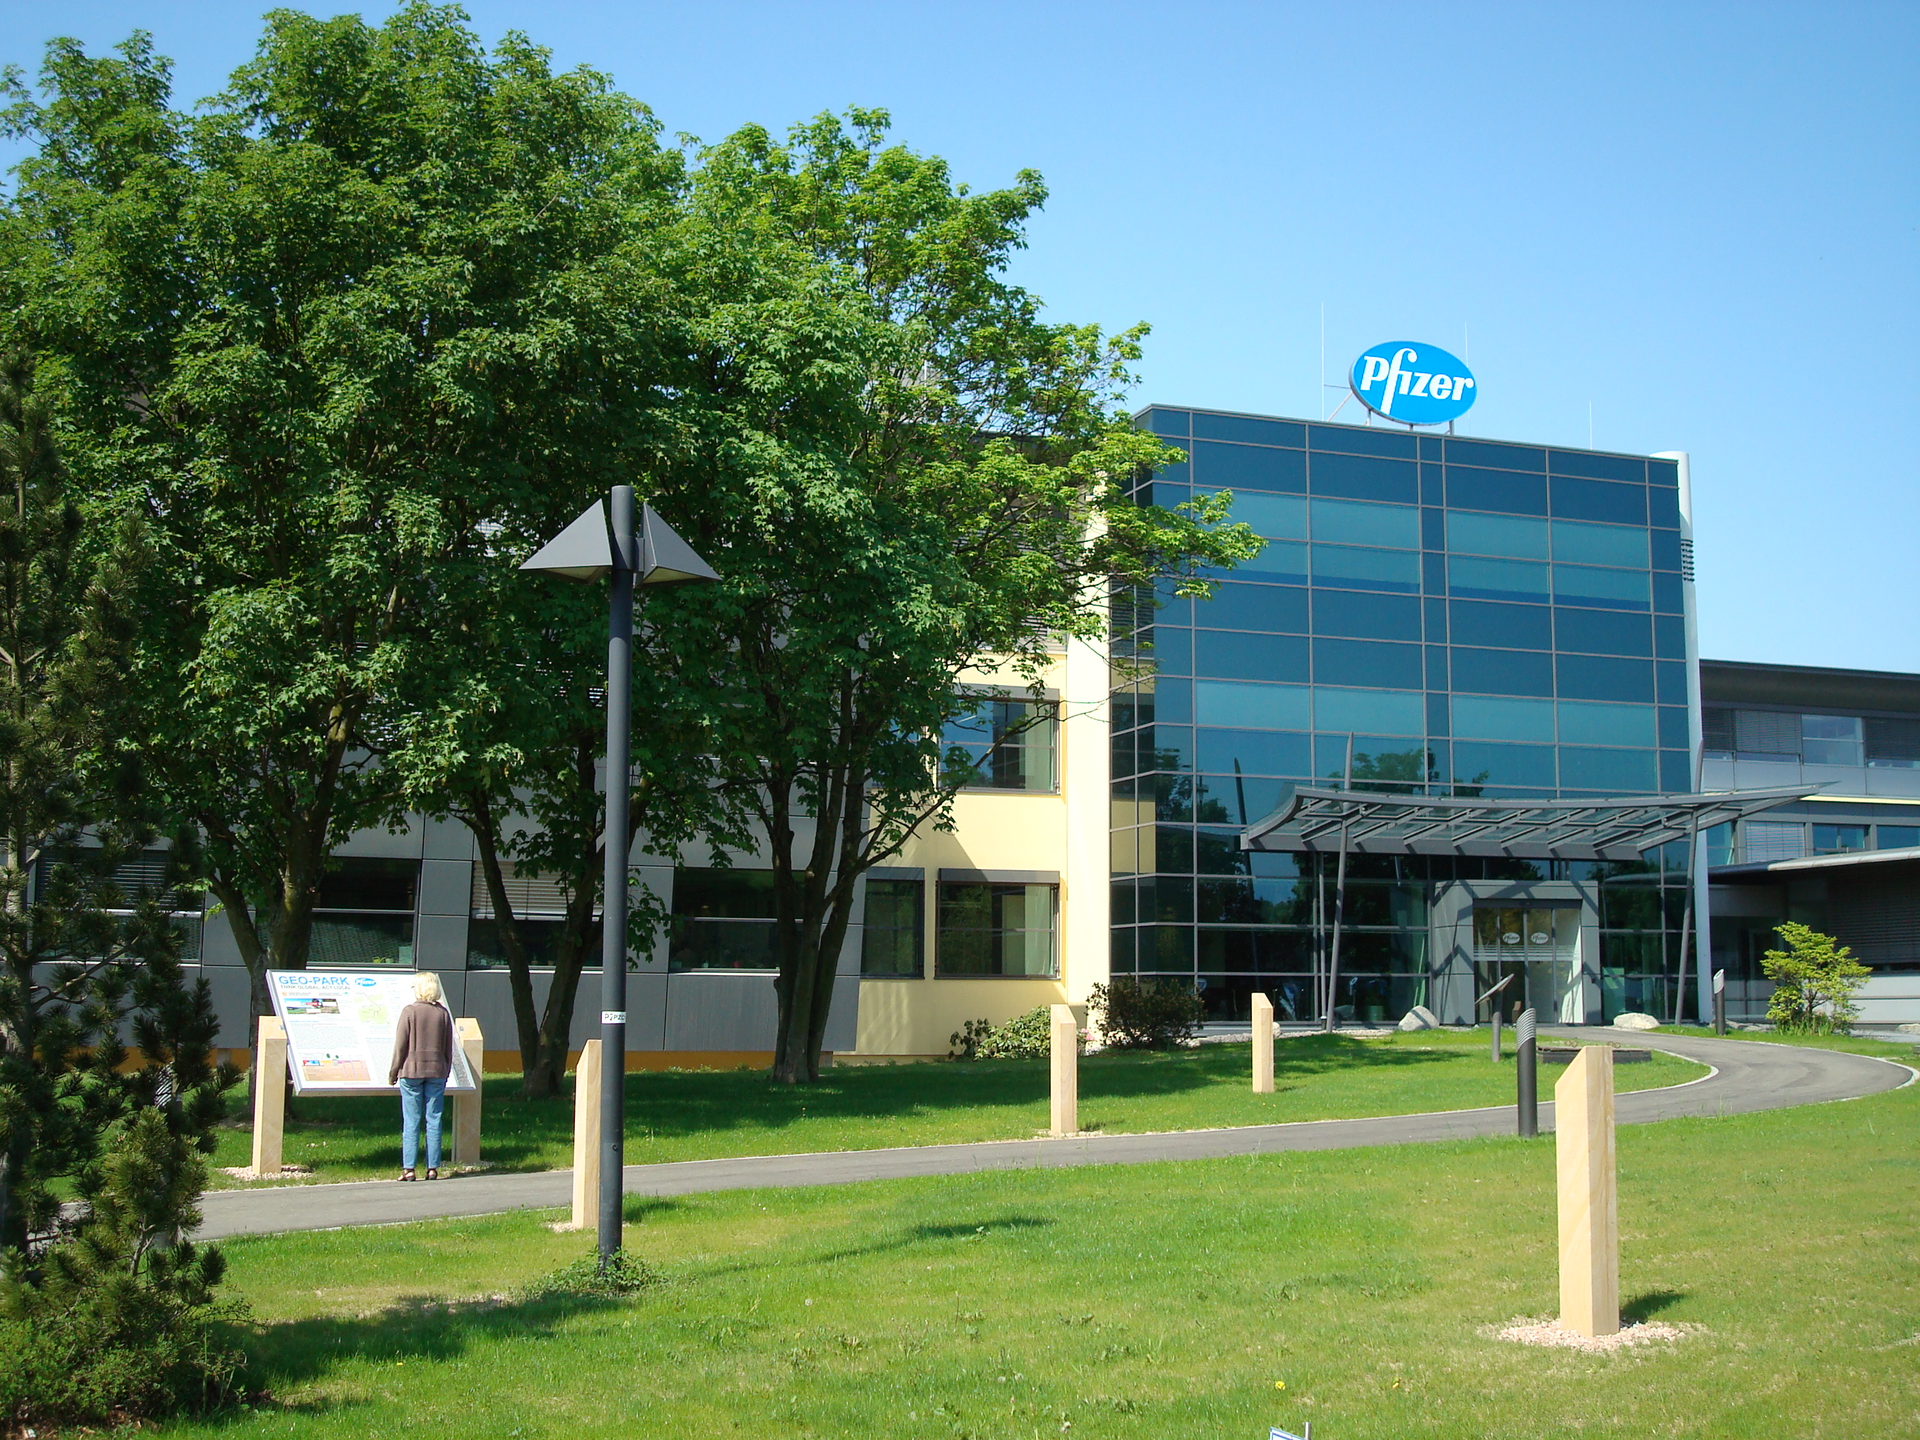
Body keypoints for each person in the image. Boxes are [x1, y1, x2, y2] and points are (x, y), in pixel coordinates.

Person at [389, 971, 454, 1181]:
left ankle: (409, 1168)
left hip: (411, 1070)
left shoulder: (409, 1012)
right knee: (434, 1118)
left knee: (412, 1119)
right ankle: (432, 1167)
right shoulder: (443, 1014)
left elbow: (400, 1046)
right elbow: (448, 1047)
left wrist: (393, 1072)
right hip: (437, 1070)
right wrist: (446, 1070)